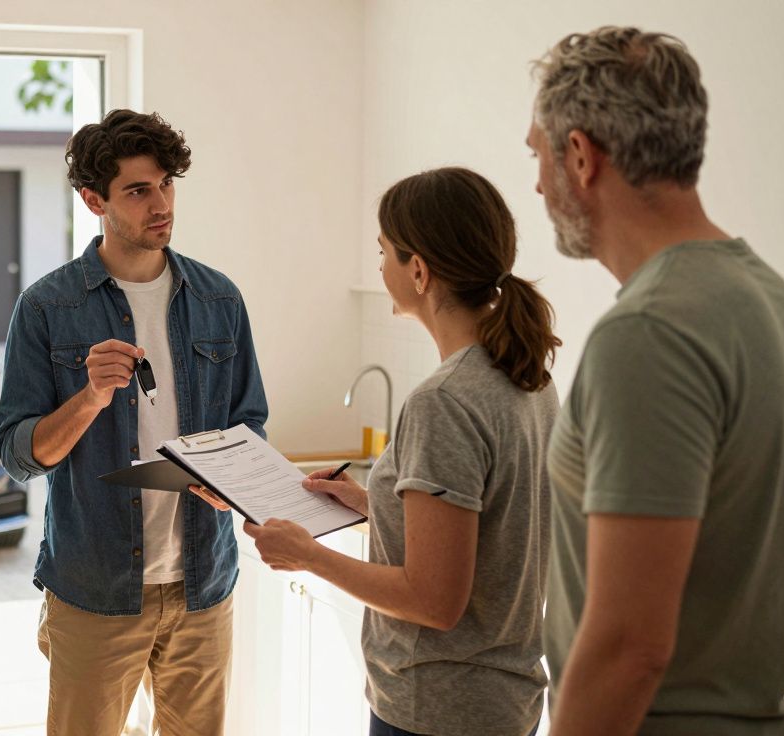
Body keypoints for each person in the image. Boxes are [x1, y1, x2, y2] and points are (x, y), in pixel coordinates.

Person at [226, 167, 560, 735]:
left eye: (383, 252)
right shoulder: (526, 379)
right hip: (503, 703)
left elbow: (434, 601)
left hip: (436, 708)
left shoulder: (445, 401)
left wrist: (309, 556)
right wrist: (370, 502)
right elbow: (487, 532)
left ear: (420, 271)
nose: (380, 268)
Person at [530, 26, 784, 735]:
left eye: (539, 154)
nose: (536, 182)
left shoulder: (647, 335)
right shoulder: (774, 301)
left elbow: (629, 649)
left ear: (581, 157)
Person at [0, 108, 268, 736]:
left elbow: (250, 423)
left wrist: (231, 482)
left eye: (167, 182)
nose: (161, 203)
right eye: (139, 190)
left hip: (204, 583)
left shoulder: (219, 299)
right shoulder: (46, 308)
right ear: (95, 200)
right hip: (95, 588)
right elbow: (17, 455)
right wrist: (90, 397)